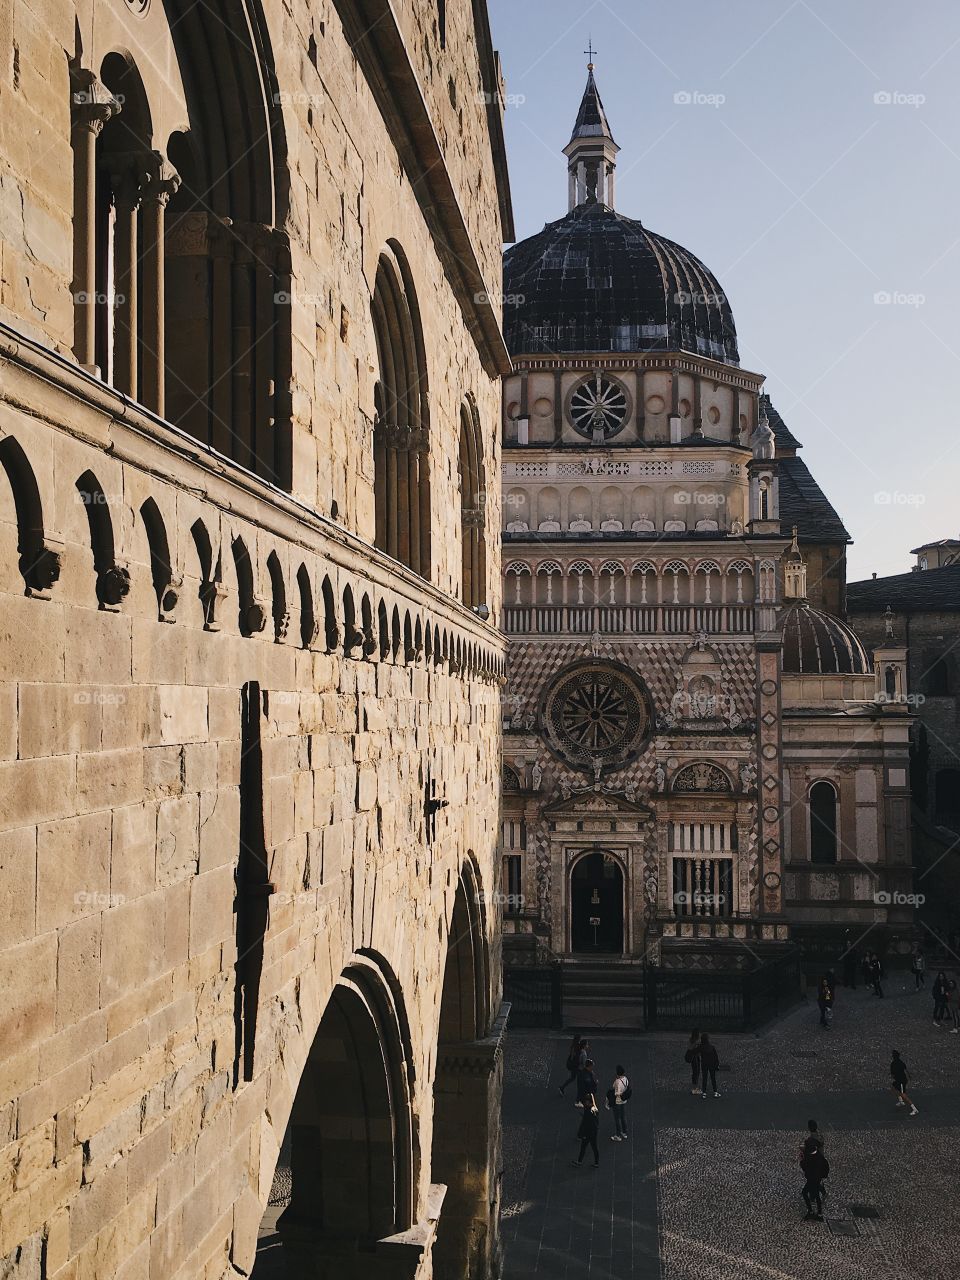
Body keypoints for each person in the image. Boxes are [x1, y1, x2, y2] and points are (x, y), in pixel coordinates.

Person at [799, 1123, 829, 1222]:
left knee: (807, 1193)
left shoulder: (810, 1159)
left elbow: (804, 1167)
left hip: (812, 1179)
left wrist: (802, 1159)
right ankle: (818, 1214)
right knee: (815, 1195)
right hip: (816, 1178)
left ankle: (813, 1213)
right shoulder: (819, 1157)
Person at [571, 1090, 600, 1168]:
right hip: (594, 1131)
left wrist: (583, 1134)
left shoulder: (588, 1111)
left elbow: (586, 1124)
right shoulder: (594, 1108)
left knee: (584, 1147)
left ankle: (580, 1161)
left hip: (589, 1132)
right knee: (594, 1147)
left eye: (586, 1101)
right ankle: (596, 1162)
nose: (584, 1103)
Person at [890, 1050, 918, 1116]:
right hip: (901, 1080)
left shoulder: (893, 1064)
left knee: (903, 1095)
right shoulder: (901, 1062)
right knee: (893, 1088)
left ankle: (914, 1109)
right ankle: (901, 1101)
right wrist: (909, 1076)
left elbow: (892, 1075)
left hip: (901, 1081)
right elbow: (906, 1070)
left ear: (893, 1056)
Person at [608, 1065, 630, 1140]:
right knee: (623, 1116)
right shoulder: (626, 1079)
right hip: (624, 1101)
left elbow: (616, 1092)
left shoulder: (617, 1082)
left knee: (617, 1118)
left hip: (617, 1102)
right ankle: (624, 1133)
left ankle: (618, 1135)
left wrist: (618, 1092)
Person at [684, 1029, 702, 1095]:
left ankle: (695, 1088)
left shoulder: (694, 1040)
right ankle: (694, 1089)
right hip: (694, 1057)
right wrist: (696, 1045)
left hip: (696, 1057)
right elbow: (691, 1048)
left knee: (697, 1071)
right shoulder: (693, 1041)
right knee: (696, 1072)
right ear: (697, 1035)